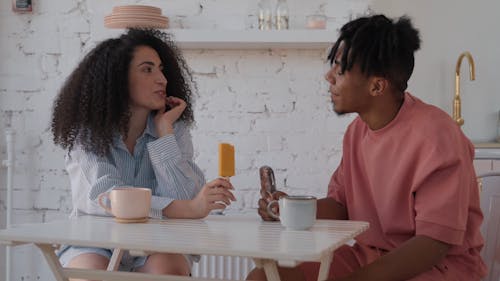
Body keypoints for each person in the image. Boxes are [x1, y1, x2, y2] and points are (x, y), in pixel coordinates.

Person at [248, 14, 487, 281]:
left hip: (436, 268)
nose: (329, 77)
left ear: (376, 86)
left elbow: (432, 245)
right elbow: (341, 205)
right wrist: (287, 209)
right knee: (265, 277)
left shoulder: (437, 136)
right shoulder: (356, 133)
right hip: (368, 257)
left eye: (340, 70)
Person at [51, 28, 236, 280]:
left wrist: (163, 134)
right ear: (117, 79)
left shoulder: (172, 129)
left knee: (167, 269)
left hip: (159, 242)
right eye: (148, 69)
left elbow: (183, 200)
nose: (162, 78)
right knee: (89, 272)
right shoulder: (87, 134)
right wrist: (190, 207)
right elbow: (107, 196)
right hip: (95, 241)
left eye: (161, 69)